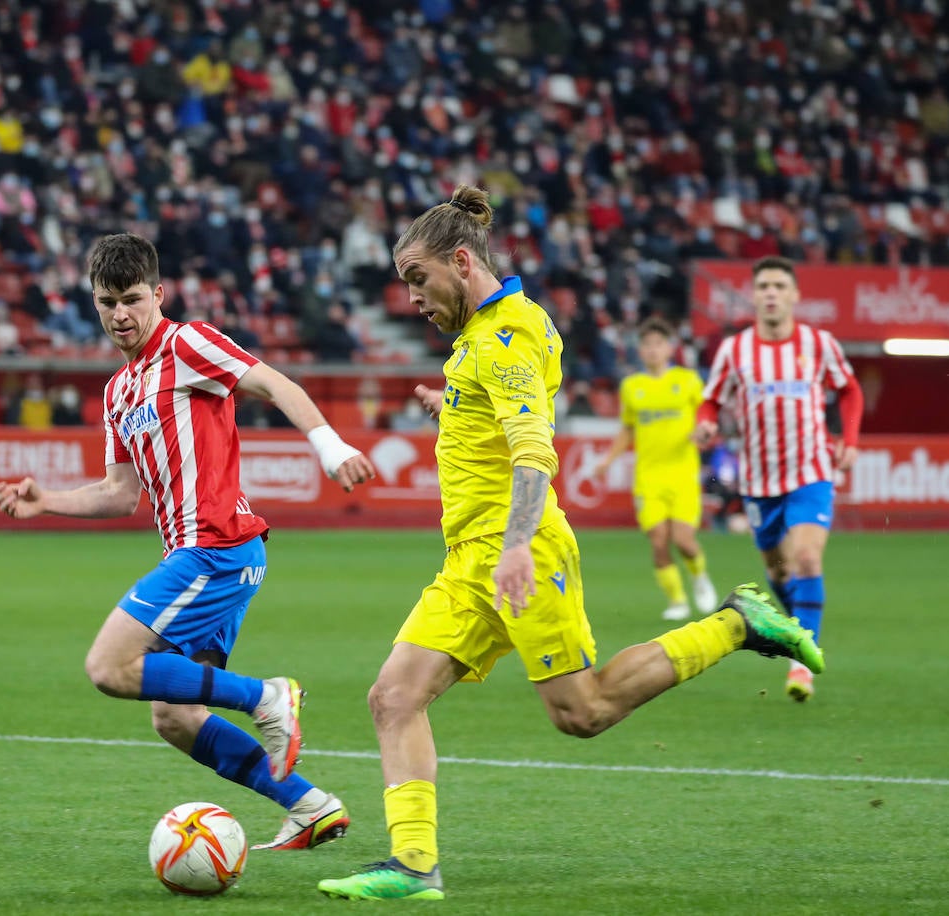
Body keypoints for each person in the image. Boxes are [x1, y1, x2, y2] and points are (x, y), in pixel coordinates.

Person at [317, 188, 823, 902]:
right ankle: (412, 865)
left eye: (418, 280)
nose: (412, 300)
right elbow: (499, 411)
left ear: (461, 262)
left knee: (581, 713)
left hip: (516, 551)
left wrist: (519, 544)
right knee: (393, 697)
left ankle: (739, 622)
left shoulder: (506, 336)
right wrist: (449, 403)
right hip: (469, 559)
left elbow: (532, 452)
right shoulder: (484, 337)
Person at [0, 233, 377, 852]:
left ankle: (269, 696)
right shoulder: (119, 392)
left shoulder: (189, 343)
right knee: (173, 715)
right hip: (201, 555)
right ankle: (309, 806)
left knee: (108, 666)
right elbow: (121, 494)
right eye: (106, 302)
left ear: (159, 295)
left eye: (132, 299)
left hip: (217, 547)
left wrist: (330, 447)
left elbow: (277, 384)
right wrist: (47, 501)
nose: (121, 314)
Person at [694, 255, 863, 702]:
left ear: (794, 295)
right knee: (778, 568)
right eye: (763, 286)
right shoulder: (735, 351)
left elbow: (849, 390)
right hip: (759, 481)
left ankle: (801, 662)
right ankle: (796, 632)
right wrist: (707, 424)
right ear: (754, 295)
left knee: (807, 559)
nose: (771, 293)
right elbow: (710, 402)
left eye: (779, 286)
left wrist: (849, 438)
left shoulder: (818, 343)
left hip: (811, 473)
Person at [593, 317, 719, 620]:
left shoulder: (688, 381)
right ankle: (677, 601)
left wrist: (703, 432)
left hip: (683, 475)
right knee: (659, 541)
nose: (652, 350)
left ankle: (700, 578)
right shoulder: (632, 386)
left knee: (684, 541)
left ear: (670, 348)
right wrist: (608, 460)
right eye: (646, 344)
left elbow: (705, 416)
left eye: (658, 344)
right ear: (640, 349)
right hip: (648, 478)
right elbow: (628, 429)